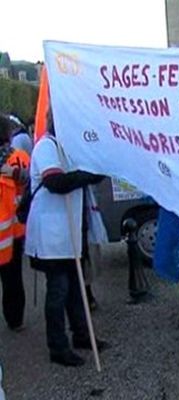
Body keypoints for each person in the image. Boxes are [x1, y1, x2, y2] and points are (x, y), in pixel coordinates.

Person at [25, 109, 109, 367]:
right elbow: (56, 183)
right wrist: (90, 174)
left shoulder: (70, 148)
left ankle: (82, 335)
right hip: (52, 236)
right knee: (59, 291)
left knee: (76, 288)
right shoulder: (46, 147)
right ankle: (58, 346)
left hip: (69, 232)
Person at [0, 115, 30, 332]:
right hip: (14, 228)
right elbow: (31, 184)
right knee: (13, 277)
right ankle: (15, 319)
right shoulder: (18, 158)